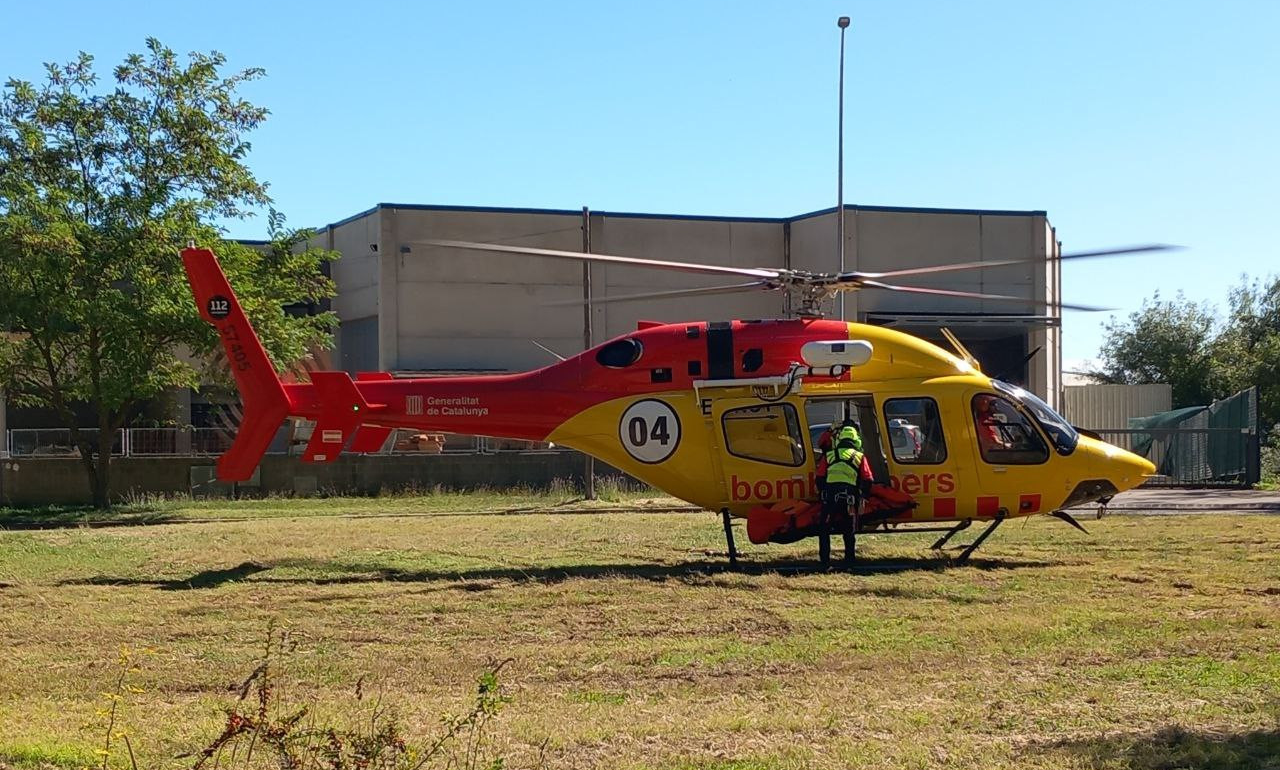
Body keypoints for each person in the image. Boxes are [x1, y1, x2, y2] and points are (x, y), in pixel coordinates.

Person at [820, 420, 864, 566]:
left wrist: (822, 493)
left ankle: (825, 562)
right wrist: (862, 495)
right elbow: (868, 479)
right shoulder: (859, 457)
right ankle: (850, 561)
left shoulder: (829, 455)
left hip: (830, 497)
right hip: (850, 498)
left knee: (824, 529)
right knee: (849, 530)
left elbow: (819, 477)